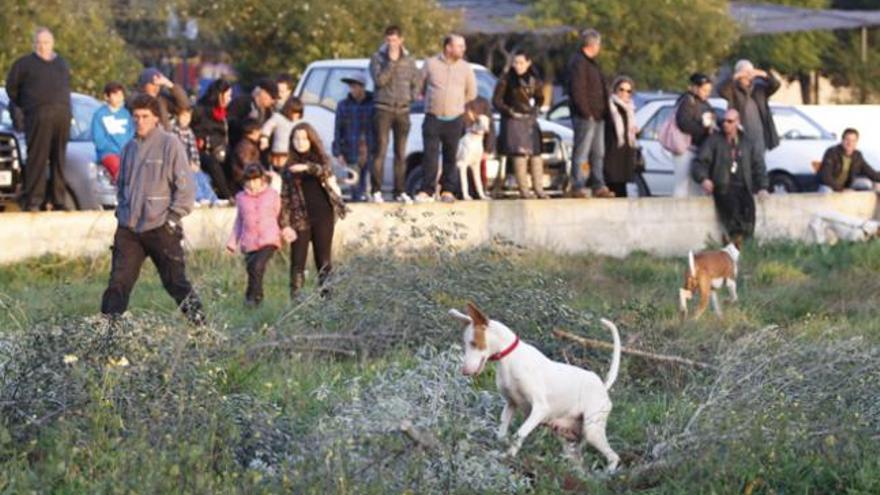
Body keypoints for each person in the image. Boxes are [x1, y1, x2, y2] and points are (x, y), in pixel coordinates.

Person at [100, 94, 205, 325]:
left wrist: (173, 218)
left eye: (145, 116)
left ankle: (202, 329)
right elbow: (122, 186)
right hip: (130, 228)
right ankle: (107, 334)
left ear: (156, 118)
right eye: (135, 116)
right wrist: (122, 215)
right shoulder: (128, 148)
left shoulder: (170, 144)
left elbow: (186, 187)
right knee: (118, 283)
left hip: (161, 226)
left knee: (175, 283)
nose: (140, 121)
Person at [6, 27, 72, 211]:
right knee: (38, 158)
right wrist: (28, 106)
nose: (43, 46)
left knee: (59, 158)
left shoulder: (62, 64)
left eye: (46, 43)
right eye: (40, 43)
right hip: (37, 115)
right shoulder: (24, 64)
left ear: (53, 44)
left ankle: (58, 200)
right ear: (34, 44)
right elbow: (12, 89)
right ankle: (34, 200)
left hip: (61, 115)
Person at [279, 123, 347, 299]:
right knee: (297, 262)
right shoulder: (288, 167)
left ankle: (327, 300)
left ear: (311, 140)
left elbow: (325, 172)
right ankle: (296, 302)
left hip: (323, 216)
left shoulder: (321, 160)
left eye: (303, 138)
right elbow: (285, 198)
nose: (300, 142)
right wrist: (285, 224)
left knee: (323, 261)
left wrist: (307, 168)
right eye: (296, 139)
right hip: (300, 218)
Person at [692, 109, 770, 242]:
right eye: (724, 121)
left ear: (737, 122)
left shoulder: (746, 142)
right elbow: (700, 162)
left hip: (743, 186)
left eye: (730, 121)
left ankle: (747, 247)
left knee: (749, 215)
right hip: (723, 187)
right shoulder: (714, 141)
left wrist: (763, 186)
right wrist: (703, 179)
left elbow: (759, 165)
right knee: (733, 215)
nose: (725, 124)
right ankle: (735, 245)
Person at [419, 34, 477, 203]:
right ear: (448, 47)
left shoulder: (466, 68)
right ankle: (427, 190)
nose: (463, 49)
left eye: (463, 46)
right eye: (459, 46)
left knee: (451, 156)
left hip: (455, 118)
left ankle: (448, 190)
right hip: (433, 117)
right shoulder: (430, 64)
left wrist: (457, 103)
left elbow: (471, 92)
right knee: (430, 155)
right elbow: (420, 87)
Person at [369, 25, 422, 204]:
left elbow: (417, 81)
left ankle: (400, 191)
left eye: (394, 40)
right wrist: (391, 63)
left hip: (403, 110)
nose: (391, 43)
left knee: (401, 152)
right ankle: (376, 190)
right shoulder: (377, 58)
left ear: (401, 40)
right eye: (388, 40)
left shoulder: (409, 59)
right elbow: (379, 81)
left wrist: (411, 97)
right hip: (383, 109)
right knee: (381, 150)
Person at [566, 28, 614, 198]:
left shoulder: (592, 64)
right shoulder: (579, 63)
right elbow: (577, 90)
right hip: (586, 116)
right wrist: (586, 112)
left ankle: (598, 183)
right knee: (582, 153)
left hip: (598, 115)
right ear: (592, 44)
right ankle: (578, 184)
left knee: (598, 153)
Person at [226, 164, 283, 306]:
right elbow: (239, 221)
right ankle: (250, 298)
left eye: (256, 180)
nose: (253, 184)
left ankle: (256, 299)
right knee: (252, 270)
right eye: (249, 181)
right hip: (249, 241)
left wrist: (283, 231)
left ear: (262, 179)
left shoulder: (272, 195)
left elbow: (279, 214)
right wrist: (232, 242)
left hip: (269, 238)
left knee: (258, 266)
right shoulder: (241, 198)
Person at [492, 50, 546, 199]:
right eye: (515, 62)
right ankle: (525, 191)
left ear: (528, 63)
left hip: (529, 119)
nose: (517, 66)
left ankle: (539, 189)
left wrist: (537, 106)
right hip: (513, 120)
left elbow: (540, 97)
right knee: (519, 154)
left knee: (536, 154)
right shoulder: (506, 79)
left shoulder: (534, 78)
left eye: (521, 62)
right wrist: (509, 110)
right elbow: (496, 101)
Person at [718, 59, 780, 157]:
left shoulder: (760, 88)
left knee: (759, 168)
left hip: (760, 138)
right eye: (745, 72)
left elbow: (775, 85)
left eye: (750, 72)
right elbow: (721, 90)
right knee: (744, 167)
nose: (748, 75)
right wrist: (736, 76)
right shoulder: (732, 90)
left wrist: (764, 74)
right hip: (741, 137)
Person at [332, 74, 376, 202]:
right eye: (350, 87)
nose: (352, 90)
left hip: (370, 150)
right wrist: (338, 152)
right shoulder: (343, 105)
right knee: (354, 184)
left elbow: (379, 128)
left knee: (368, 186)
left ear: (362, 87)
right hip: (350, 150)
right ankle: (356, 203)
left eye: (355, 86)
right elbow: (338, 129)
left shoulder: (373, 104)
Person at [672, 73, 717, 197]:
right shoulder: (687, 100)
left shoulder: (706, 104)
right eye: (704, 90)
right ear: (694, 87)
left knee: (694, 187)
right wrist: (703, 129)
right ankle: (678, 212)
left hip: (698, 149)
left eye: (709, 91)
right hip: (685, 149)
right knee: (682, 185)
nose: (707, 93)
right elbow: (683, 123)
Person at [193, 78, 236, 200]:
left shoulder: (225, 114)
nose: (229, 99)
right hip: (202, 151)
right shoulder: (200, 110)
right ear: (219, 95)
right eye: (227, 96)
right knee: (213, 164)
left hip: (220, 149)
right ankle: (226, 196)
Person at [171, 106, 219, 206]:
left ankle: (212, 198)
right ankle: (198, 197)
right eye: (183, 116)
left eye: (188, 117)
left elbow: (194, 150)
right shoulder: (173, 132)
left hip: (191, 163)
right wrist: (188, 163)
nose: (185, 120)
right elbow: (177, 152)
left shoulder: (189, 132)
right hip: (179, 164)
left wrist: (196, 163)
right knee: (191, 177)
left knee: (202, 177)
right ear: (178, 116)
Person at [603, 76, 639, 198]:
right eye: (621, 89)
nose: (624, 93)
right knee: (612, 185)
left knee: (622, 188)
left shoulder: (630, 108)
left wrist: (635, 131)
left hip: (625, 152)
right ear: (615, 90)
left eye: (628, 91)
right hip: (612, 151)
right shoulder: (610, 106)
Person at [91, 81, 134, 183]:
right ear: (107, 97)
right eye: (115, 94)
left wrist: (127, 149)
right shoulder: (99, 114)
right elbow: (99, 139)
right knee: (119, 170)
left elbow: (131, 134)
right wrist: (115, 150)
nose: (119, 98)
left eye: (121, 95)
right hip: (108, 153)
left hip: (126, 153)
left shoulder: (126, 114)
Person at [817, 128, 880, 193]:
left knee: (867, 183)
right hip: (832, 185)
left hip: (848, 184)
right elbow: (825, 177)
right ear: (842, 140)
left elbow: (871, 172)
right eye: (847, 140)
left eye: (853, 141)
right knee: (825, 190)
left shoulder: (857, 155)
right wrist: (841, 189)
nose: (850, 143)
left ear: (856, 142)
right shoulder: (832, 152)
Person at [456, 97, 495, 200]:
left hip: (478, 141)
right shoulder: (459, 101)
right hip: (467, 141)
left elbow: (490, 129)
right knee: (462, 166)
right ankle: (464, 193)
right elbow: (461, 165)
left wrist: (488, 149)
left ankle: (481, 193)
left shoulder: (482, 102)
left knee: (477, 169)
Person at [227, 78, 278, 149]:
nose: (273, 101)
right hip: (236, 146)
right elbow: (230, 121)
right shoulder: (241, 102)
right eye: (272, 97)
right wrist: (249, 128)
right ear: (263, 93)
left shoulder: (269, 112)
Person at [261, 96, 303, 177]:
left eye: (298, 113)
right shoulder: (278, 118)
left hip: (292, 154)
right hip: (278, 153)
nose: (296, 116)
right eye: (294, 112)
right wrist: (264, 138)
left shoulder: (299, 122)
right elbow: (267, 127)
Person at [229, 120, 263, 190]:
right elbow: (248, 165)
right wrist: (262, 173)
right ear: (252, 132)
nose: (260, 133)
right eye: (258, 130)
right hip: (244, 177)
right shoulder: (244, 146)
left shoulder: (250, 144)